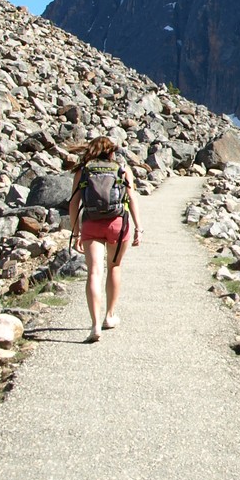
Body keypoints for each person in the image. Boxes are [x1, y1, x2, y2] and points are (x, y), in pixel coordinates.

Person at [67, 136, 142, 343]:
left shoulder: (83, 171)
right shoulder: (121, 169)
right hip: (118, 223)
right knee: (114, 266)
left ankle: (94, 324)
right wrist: (139, 227)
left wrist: (75, 232)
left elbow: (73, 203)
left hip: (91, 224)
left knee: (94, 272)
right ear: (111, 152)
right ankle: (109, 316)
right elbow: (132, 197)